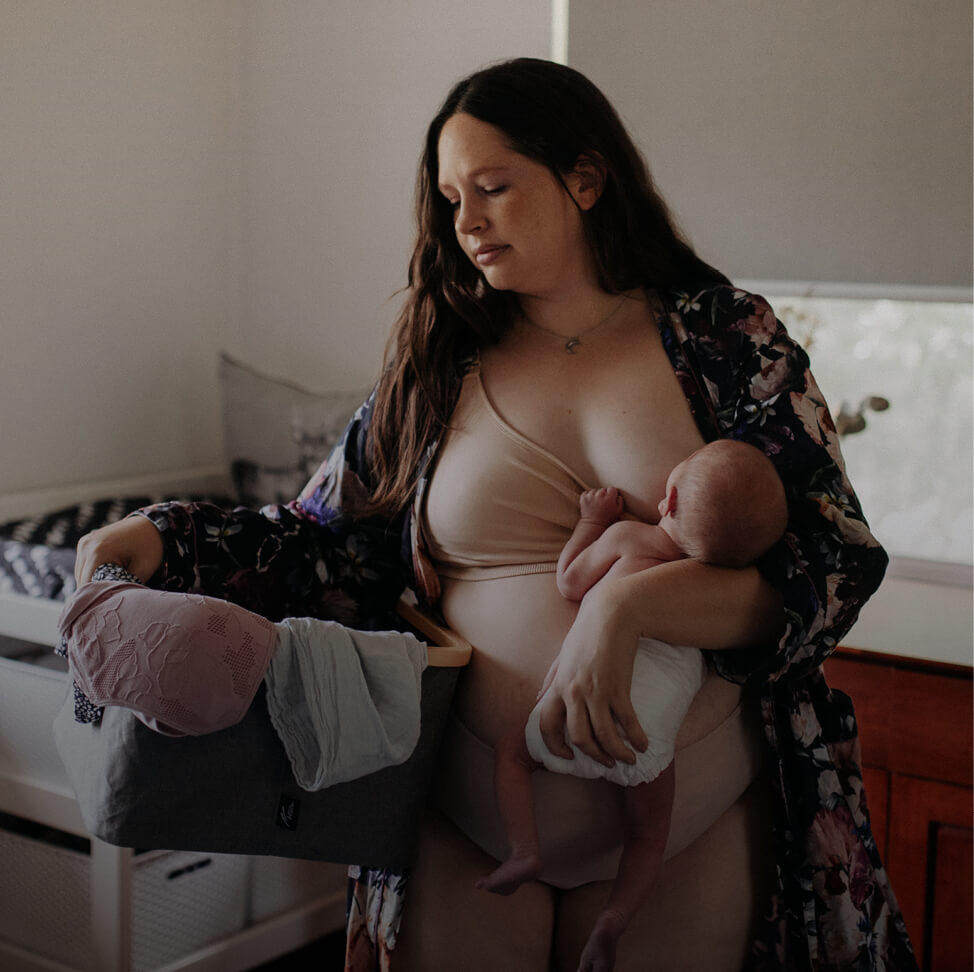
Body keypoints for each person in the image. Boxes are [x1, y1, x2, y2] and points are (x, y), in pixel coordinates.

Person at [74, 58, 916, 971]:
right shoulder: (438, 363)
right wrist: (162, 533)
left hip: (686, 830)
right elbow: (325, 543)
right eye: (448, 197)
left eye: (492, 186)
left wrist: (626, 609)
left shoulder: (721, 338)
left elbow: (833, 562)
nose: (464, 220)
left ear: (586, 179)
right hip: (464, 824)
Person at [478, 440, 788, 972]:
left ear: (667, 498)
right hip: (642, 747)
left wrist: (590, 522)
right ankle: (614, 920)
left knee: (511, 754)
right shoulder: (713, 593)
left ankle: (523, 850)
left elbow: (571, 581)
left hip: (564, 717)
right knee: (648, 837)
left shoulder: (629, 538)